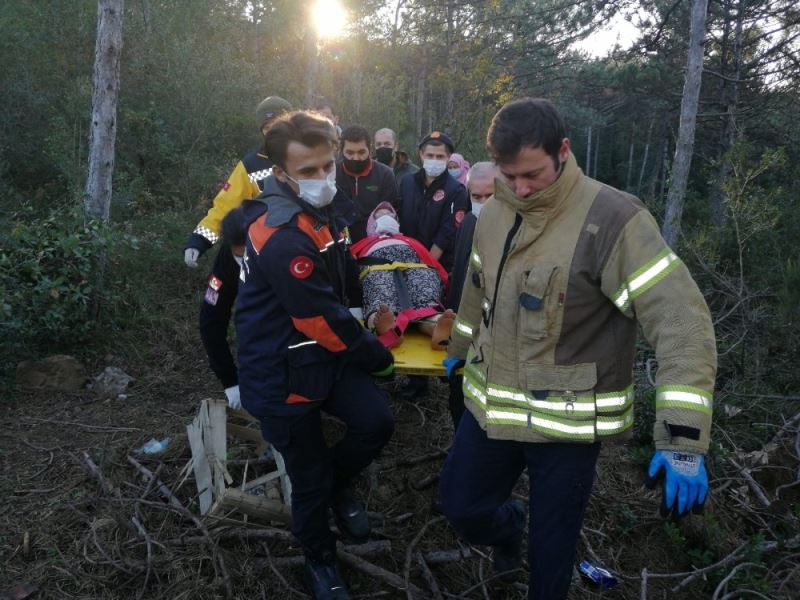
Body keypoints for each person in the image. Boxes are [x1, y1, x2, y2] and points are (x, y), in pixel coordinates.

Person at [440, 98, 716, 599]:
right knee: (461, 508)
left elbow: (681, 323)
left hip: (566, 428)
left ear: (562, 151)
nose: (520, 189)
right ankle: (508, 527)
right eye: (509, 175)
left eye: (532, 174)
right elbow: (478, 289)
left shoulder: (614, 219)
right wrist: (460, 345)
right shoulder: (496, 210)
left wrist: (682, 440)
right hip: (491, 409)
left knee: (552, 557)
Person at [235, 110, 395, 600]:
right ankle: (320, 561)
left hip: (320, 355)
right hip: (281, 371)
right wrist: (378, 357)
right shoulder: (282, 233)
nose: (323, 178)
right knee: (306, 479)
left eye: (327, 166)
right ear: (281, 175)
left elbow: (340, 280)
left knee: (376, 422)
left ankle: (339, 484)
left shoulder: (322, 212)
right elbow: (319, 319)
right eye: (308, 172)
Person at [185, 95, 292, 407]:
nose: (273, 129)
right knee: (211, 316)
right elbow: (222, 207)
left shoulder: (304, 157)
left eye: (279, 122)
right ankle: (232, 382)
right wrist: (198, 241)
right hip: (236, 256)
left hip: (279, 261)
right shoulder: (249, 164)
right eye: (267, 125)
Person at [396, 130, 470, 399]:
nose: (435, 160)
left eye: (440, 156)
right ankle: (414, 381)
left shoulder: (456, 190)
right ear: (421, 155)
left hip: (435, 264)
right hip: (405, 260)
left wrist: (426, 264)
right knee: (408, 315)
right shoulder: (406, 183)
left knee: (429, 315)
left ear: (449, 158)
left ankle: (434, 376)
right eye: (430, 155)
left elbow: (449, 231)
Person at [351, 202, 454, 350]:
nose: (386, 217)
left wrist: (441, 279)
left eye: (390, 215)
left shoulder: (409, 241)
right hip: (377, 265)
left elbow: (429, 262)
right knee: (380, 296)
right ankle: (383, 324)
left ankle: (436, 325)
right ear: (371, 224)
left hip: (415, 267)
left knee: (423, 291)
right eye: (379, 215)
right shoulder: (365, 242)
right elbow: (349, 263)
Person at [443, 161, 498, 428]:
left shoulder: (513, 231)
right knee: (458, 399)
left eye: (491, 195)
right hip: (463, 329)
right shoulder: (468, 223)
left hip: (493, 339)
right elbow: (459, 273)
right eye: (477, 196)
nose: (484, 202)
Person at [335, 125, 399, 242]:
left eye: (361, 152)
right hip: (340, 239)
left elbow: (387, 214)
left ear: (369, 149)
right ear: (341, 150)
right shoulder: (333, 174)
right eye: (349, 152)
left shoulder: (385, 174)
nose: (356, 158)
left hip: (374, 241)